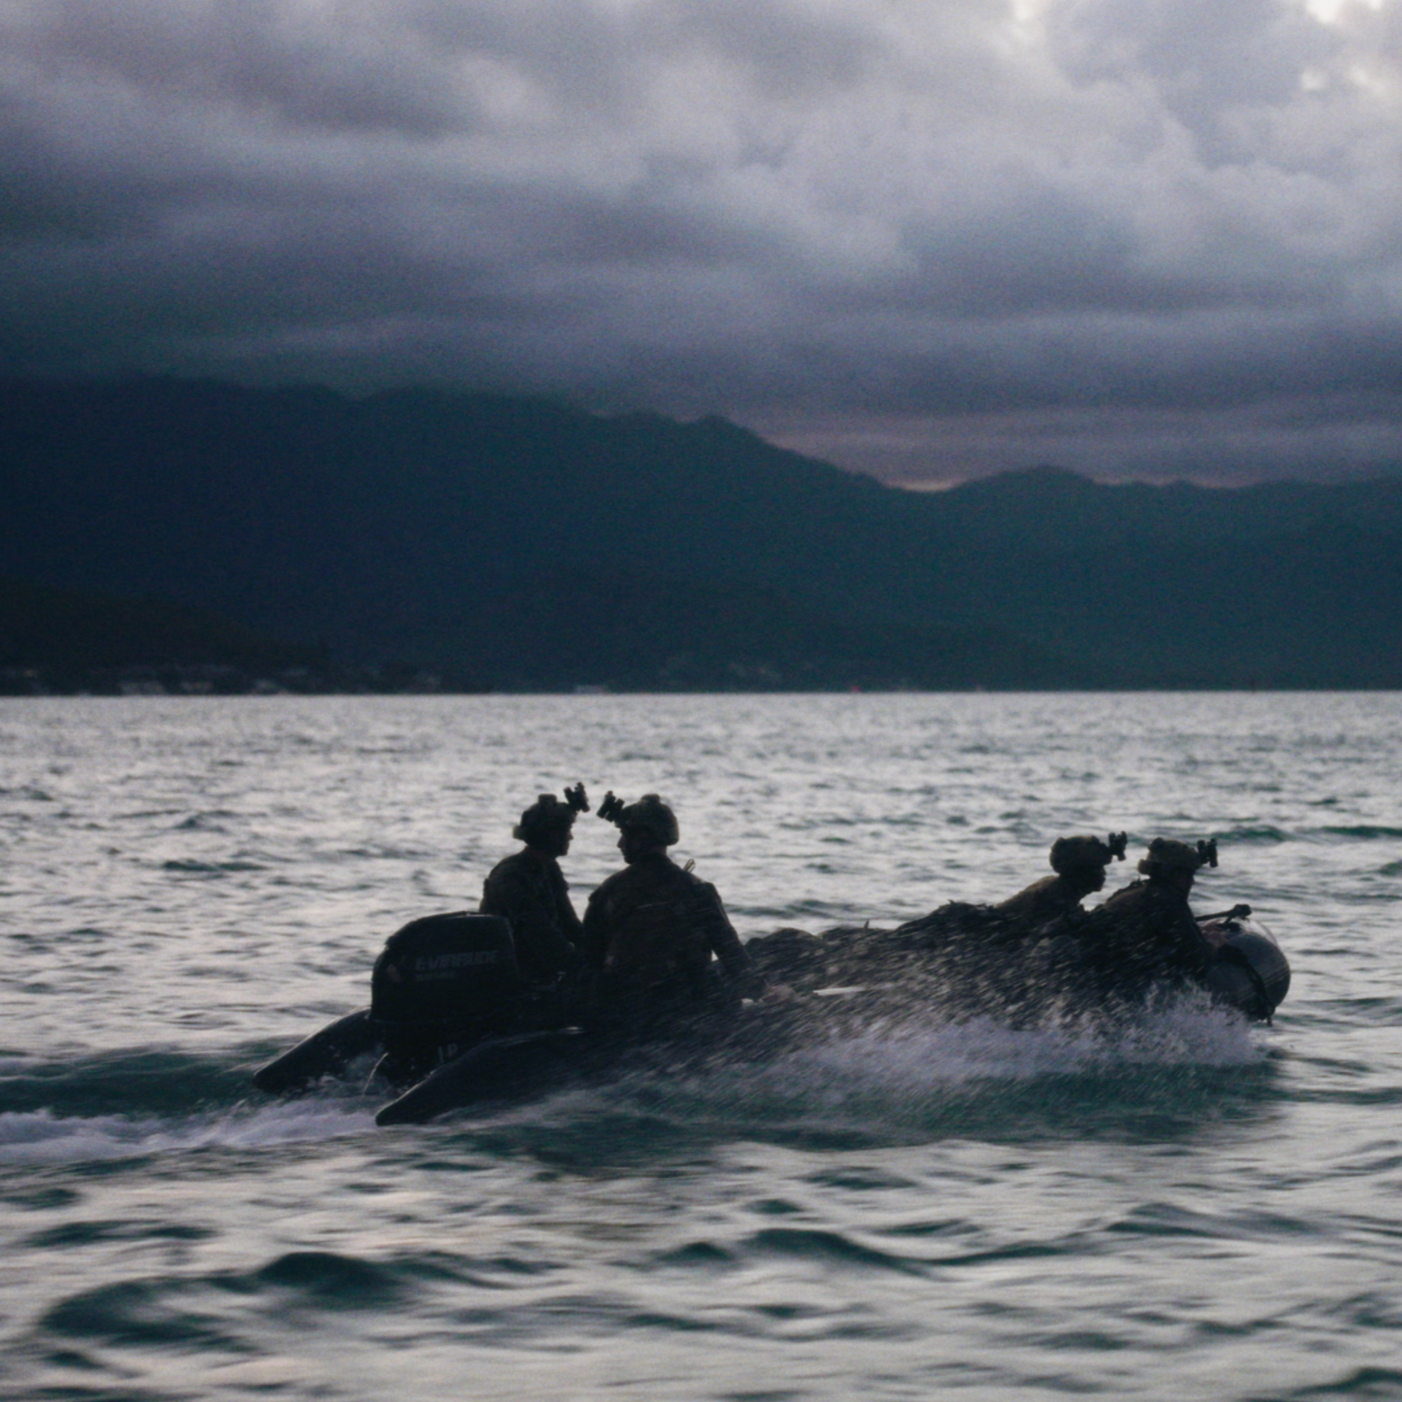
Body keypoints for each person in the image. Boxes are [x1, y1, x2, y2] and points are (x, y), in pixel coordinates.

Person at [580, 792, 766, 1032]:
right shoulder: (697, 889)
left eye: (625, 835)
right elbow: (730, 951)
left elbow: (589, 958)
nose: (620, 843)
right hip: (691, 1012)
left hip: (627, 1014)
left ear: (643, 838)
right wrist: (764, 992)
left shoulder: (609, 891)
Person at [479, 784, 588, 987]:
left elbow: (569, 924)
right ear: (549, 834)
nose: (570, 837)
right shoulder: (512, 875)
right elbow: (538, 933)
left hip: (538, 970)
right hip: (514, 975)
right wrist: (578, 966)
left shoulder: (548, 867)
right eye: (566, 830)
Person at [1080, 836, 1218, 994]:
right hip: (1120, 984)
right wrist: (1213, 944)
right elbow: (1197, 961)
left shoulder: (1132, 892)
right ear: (1175, 874)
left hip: (1099, 974)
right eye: (1188, 875)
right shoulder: (1167, 899)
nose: (1191, 882)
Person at [992, 832, 1128, 932]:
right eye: (1097, 868)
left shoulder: (1054, 884)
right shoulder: (1058, 897)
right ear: (1080, 872)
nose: (1103, 874)